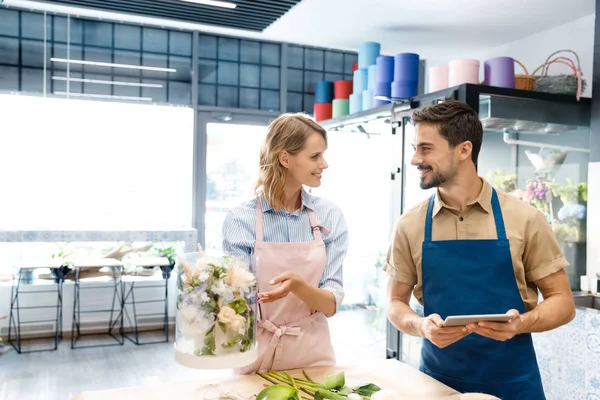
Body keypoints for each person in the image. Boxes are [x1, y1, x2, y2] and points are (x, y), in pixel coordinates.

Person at [385, 100, 575, 400]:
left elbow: (563, 302)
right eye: (414, 147)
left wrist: (522, 323)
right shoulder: (410, 225)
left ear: (464, 150)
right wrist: (420, 325)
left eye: (425, 148)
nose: (414, 159)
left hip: (513, 384)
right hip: (437, 384)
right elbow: (395, 302)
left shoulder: (525, 219)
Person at [222, 113, 349, 374]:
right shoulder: (240, 220)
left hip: (314, 354)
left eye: (322, 155)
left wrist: (299, 287)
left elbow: (330, 304)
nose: (324, 164)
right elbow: (237, 302)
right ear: (284, 158)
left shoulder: (329, 215)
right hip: (255, 354)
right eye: (315, 156)